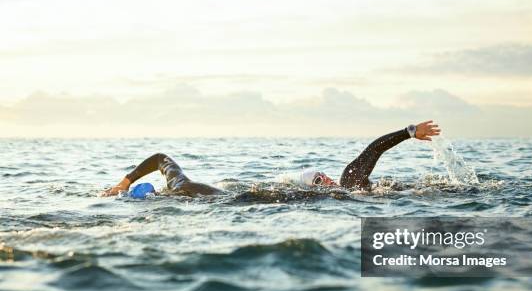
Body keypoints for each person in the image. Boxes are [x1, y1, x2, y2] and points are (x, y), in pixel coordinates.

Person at [102, 120, 440, 197]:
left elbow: (374, 149)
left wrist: (409, 131)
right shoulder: (181, 188)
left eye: (322, 176)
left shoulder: (350, 181)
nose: (327, 180)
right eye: (318, 180)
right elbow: (161, 156)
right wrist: (125, 183)